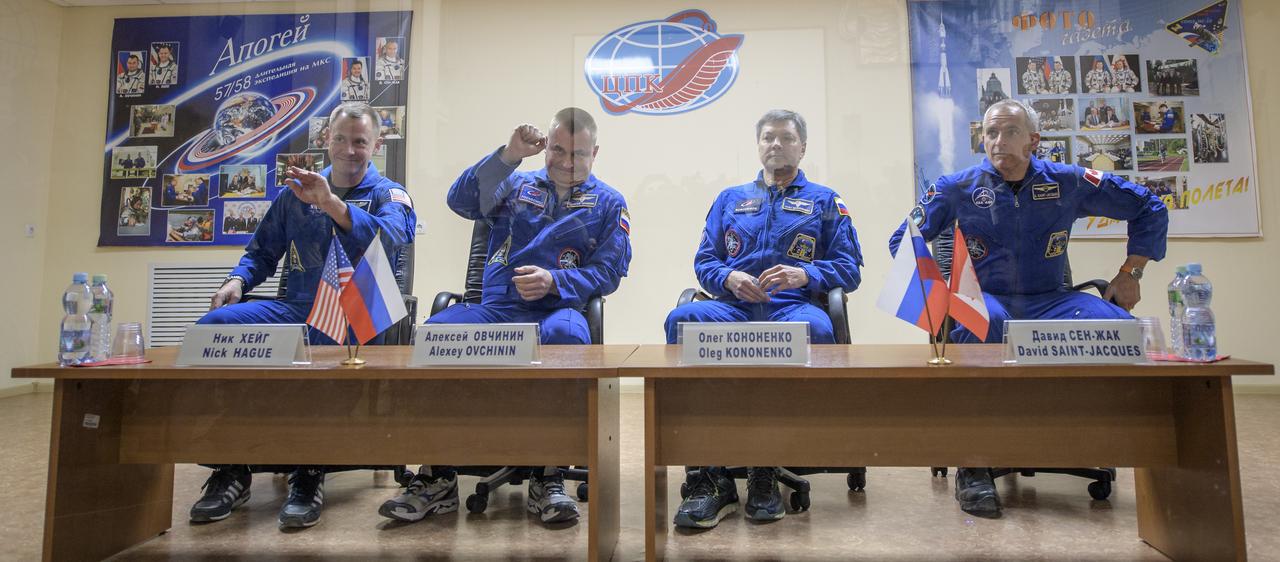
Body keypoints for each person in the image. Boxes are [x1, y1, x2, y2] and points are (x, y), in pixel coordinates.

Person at [889, 99, 1168, 518]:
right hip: (990, 299)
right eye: (990, 133)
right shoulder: (956, 187)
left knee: (1119, 327)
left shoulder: (1069, 181)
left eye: (1010, 132)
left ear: (1034, 140)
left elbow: (1149, 205)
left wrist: (1132, 272)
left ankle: (1118, 442)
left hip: (1053, 299)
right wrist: (938, 290)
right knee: (975, 326)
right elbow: (903, 240)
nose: (998, 141)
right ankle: (975, 463)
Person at [376, 107, 629, 527]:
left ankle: (548, 476)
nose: (567, 162)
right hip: (496, 309)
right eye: (559, 151)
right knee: (434, 335)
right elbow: (459, 201)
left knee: (568, 339)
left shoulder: (609, 202)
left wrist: (556, 282)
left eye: (579, 154)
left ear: (595, 152)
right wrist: (508, 154)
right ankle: (435, 477)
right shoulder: (516, 184)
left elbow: (609, 272)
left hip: (557, 310)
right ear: (546, 146)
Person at [189, 102, 416, 530]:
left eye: (361, 142)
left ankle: (309, 470)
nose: (350, 150)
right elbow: (261, 253)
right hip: (295, 306)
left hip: (354, 314)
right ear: (325, 141)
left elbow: (391, 239)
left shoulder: (390, 194)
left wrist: (331, 203)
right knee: (213, 330)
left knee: (322, 348)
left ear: (377, 145)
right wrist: (237, 281)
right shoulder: (294, 194)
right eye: (341, 140)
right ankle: (231, 465)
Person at [663, 110, 863, 529]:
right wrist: (729, 277)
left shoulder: (826, 201)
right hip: (735, 307)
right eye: (768, 137)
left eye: (786, 138)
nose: (776, 144)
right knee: (683, 319)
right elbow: (705, 262)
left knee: (820, 329)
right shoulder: (730, 199)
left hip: (791, 306)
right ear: (758, 146)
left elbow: (850, 267)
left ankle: (765, 469)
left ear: (802, 147)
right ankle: (710, 475)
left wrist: (805, 274)